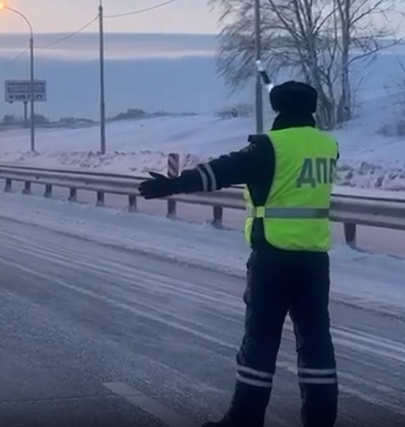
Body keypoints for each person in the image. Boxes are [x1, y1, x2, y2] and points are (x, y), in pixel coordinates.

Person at [137, 81, 339, 427]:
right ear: (310, 109)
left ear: (279, 109)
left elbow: (221, 171)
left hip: (273, 258)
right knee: (317, 345)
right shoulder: (328, 146)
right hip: (315, 261)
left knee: (259, 344)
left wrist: (171, 185)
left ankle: (244, 420)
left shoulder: (270, 147)